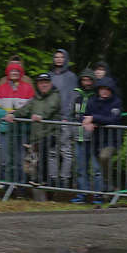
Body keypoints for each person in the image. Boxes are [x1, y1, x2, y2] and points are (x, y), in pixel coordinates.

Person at [76, 75, 123, 203]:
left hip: (112, 141)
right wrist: (87, 122)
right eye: (102, 88)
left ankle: (107, 187)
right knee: (95, 169)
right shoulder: (92, 101)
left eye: (107, 89)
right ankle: (102, 193)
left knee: (104, 157)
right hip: (95, 141)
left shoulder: (116, 102)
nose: (104, 91)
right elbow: (81, 115)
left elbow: (113, 119)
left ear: (111, 90)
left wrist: (94, 118)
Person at [14, 71, 65, 187]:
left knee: (43, 152)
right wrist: (13, 115)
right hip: (36, 135)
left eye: (46, 82)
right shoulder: (35, 98)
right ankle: (38, 183)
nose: (44, 85)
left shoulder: (55, 95)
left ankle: (42, 179)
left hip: (51, 133)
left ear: (50, 84)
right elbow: (25, 109)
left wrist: (41, 116)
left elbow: (51, 107)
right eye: (41, 83)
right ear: (37, 84)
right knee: (32, 160)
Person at [0, 58, 34, 185]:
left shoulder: (28, 88)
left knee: (20, 160)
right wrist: (5, 115)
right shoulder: (1, 88)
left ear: (20, 73)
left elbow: (31, 107)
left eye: (17, 71)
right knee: (5, 160)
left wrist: (16, 115)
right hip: (5, 129)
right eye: (12, 71)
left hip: (22, 130)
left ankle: (20, 187)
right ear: (8, 72)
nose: (14, 73)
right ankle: (6, 185)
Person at [47, 49, 80, 188]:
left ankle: (65, 179)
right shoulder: (49, 76)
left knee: (66, 150)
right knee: (52, 150)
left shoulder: (71, 77)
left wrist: (69, 115)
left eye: (61, 57)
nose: (59, 59)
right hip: (51, 119)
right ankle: (53, 178)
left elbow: (74, 97)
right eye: (56, 57)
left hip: (66, 118)